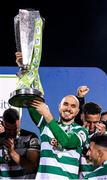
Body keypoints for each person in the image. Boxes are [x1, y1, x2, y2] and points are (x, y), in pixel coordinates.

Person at [28, 95, 89, 179]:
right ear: (59, 106)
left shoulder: (81, 131)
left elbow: (66, 142)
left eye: (73, 106)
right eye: (65, 104)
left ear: (77, 111)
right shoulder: (45, 125)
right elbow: (30, 102)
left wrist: (48, 115)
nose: (68, 108)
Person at [0, 108, 40, 179]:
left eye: (15, 129)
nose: (12, 133)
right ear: (3, 124)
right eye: (8, 129)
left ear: (19, 122)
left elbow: (31, 166)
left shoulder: (31, 137)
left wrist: (12, 153)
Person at [79, 102, 106, 179]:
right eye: (88, 122)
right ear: (82, 117)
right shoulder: (74, 132)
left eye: (95, 122)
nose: (92, 126)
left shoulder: (103, 133)